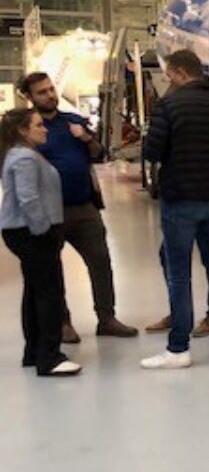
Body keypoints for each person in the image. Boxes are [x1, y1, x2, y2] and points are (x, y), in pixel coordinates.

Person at [139, 49, 209, 369]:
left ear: (178, 73)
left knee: (179, 275)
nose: (167, 81)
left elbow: (151, 151)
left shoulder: (169, 105)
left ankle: (178, 348)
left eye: (169, 76)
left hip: (181, 202)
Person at [18, 72, 137, 343]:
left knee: (101, 262)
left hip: (83, 207)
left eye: (51, 89)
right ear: (29, 97)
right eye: (42, 92)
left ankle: (107, 318)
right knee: (52, 269)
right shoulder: (29, 129)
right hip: (49, 211)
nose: (49, 95)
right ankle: (63, 323)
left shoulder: (72, 121)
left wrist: (85, 138)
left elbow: (99, 154)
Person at [1, 108, 81, 376]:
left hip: (26, 231)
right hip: (31, 232)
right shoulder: (24, 158)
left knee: (36, 291)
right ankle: (50, 358)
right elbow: (28, 198)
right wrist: (43, 229)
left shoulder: (24, 155)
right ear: (23, 131)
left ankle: (35, 352)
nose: (45, 128)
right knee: (49, 293)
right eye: (38, 125)